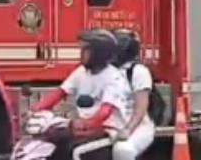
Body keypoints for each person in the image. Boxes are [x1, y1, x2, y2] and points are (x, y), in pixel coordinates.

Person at [31, 29, 131, 159]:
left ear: (99, 53)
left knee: (70, 149)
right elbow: (60, 92)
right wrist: (36, 108)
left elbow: (105, 112)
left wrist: (86, 123)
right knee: (50, 142)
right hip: (84, 130)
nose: (81, 54)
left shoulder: (113, 78)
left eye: (86, 50)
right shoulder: (81, 72)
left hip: (107, 132)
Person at [111, 30, 156, 160]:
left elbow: (140, 108)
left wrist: (128, 130)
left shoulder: (138, 72)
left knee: (123, 150)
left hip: (137, 126)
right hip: (108, 127)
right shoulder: (102, 71)